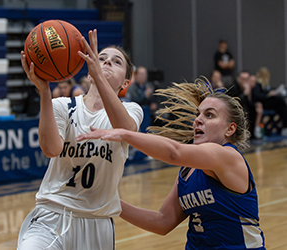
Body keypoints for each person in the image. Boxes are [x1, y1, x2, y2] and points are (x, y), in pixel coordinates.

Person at [77, 77, 266, 250]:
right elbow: (163, 222)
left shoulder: (228, 156)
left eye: (209, 115)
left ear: (230, 129)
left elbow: (174, 153)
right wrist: (111, 201)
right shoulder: (188, 170)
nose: (198, 120)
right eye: (198, 114)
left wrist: (125, 134)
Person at [17, 29, 143, 250]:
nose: (105, 63)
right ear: (87, 73)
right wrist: (45, 92)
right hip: (52, 215)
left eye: (116, 62)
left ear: (125, 82)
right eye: (101, 58)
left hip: (97, 222)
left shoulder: (131, 110)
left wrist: (98, 73)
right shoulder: (62, 106)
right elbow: (51, 149)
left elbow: (125, 129)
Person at [252, 67, 287, 136]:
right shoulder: (257, 85)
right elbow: (257, 96)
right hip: (262, 103)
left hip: (269, 103)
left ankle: (284, 125)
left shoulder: (266, 85)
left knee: (281, 104)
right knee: (281, 103)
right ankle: (284, 126)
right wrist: (268, 95)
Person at [229, 71, 263, 139]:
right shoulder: (234, 88)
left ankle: (254, 132)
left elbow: (250, 102)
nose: (245, 81)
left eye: (246, 79)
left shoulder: (250, 88)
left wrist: (249, 94)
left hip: (246, 108)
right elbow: (236, 102)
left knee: (255, 109)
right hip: (235, 109)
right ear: (239, 79)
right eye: (243, 79)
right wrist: (244, 93)